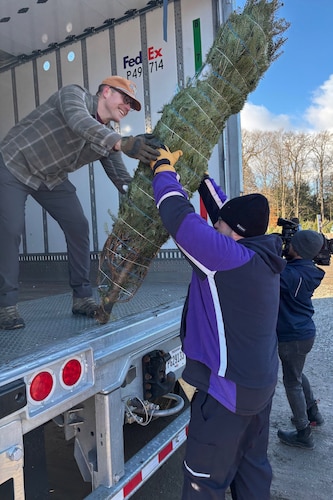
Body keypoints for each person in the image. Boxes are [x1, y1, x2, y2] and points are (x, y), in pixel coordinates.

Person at [150, 146, 286, 500]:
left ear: (233, 234)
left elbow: (178, 217)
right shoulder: (264, 252)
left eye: (219, 226)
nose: (215, 226)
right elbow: (224, 213)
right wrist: (202, 178)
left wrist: (163, 169)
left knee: (203, 484)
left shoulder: (226, 260)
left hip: (227, 396)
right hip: (261, 387)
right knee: (252, 473)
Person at [0, 75, 160, 330]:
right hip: (14, 164)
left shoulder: (107, 137)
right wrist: (120, 143)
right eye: (125, 99)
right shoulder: (73, 96)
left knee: (78, 226)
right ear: (105, 92)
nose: (128, 107)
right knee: (10, 229)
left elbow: (121, 179)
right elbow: (80, 123)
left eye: (132, 104)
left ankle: (82, 298)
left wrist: (145, 200)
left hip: (49, 178)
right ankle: (6, 305)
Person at [276, 230, 325, 450]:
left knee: (291, 382)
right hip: (304, 333)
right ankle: (312, 411)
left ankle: (303, 432)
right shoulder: (307, 270)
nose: (288, 246)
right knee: (297, 373)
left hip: (292, 336)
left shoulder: (291, 276)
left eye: (291, 244)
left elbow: (265, 272)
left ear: (299, 250)